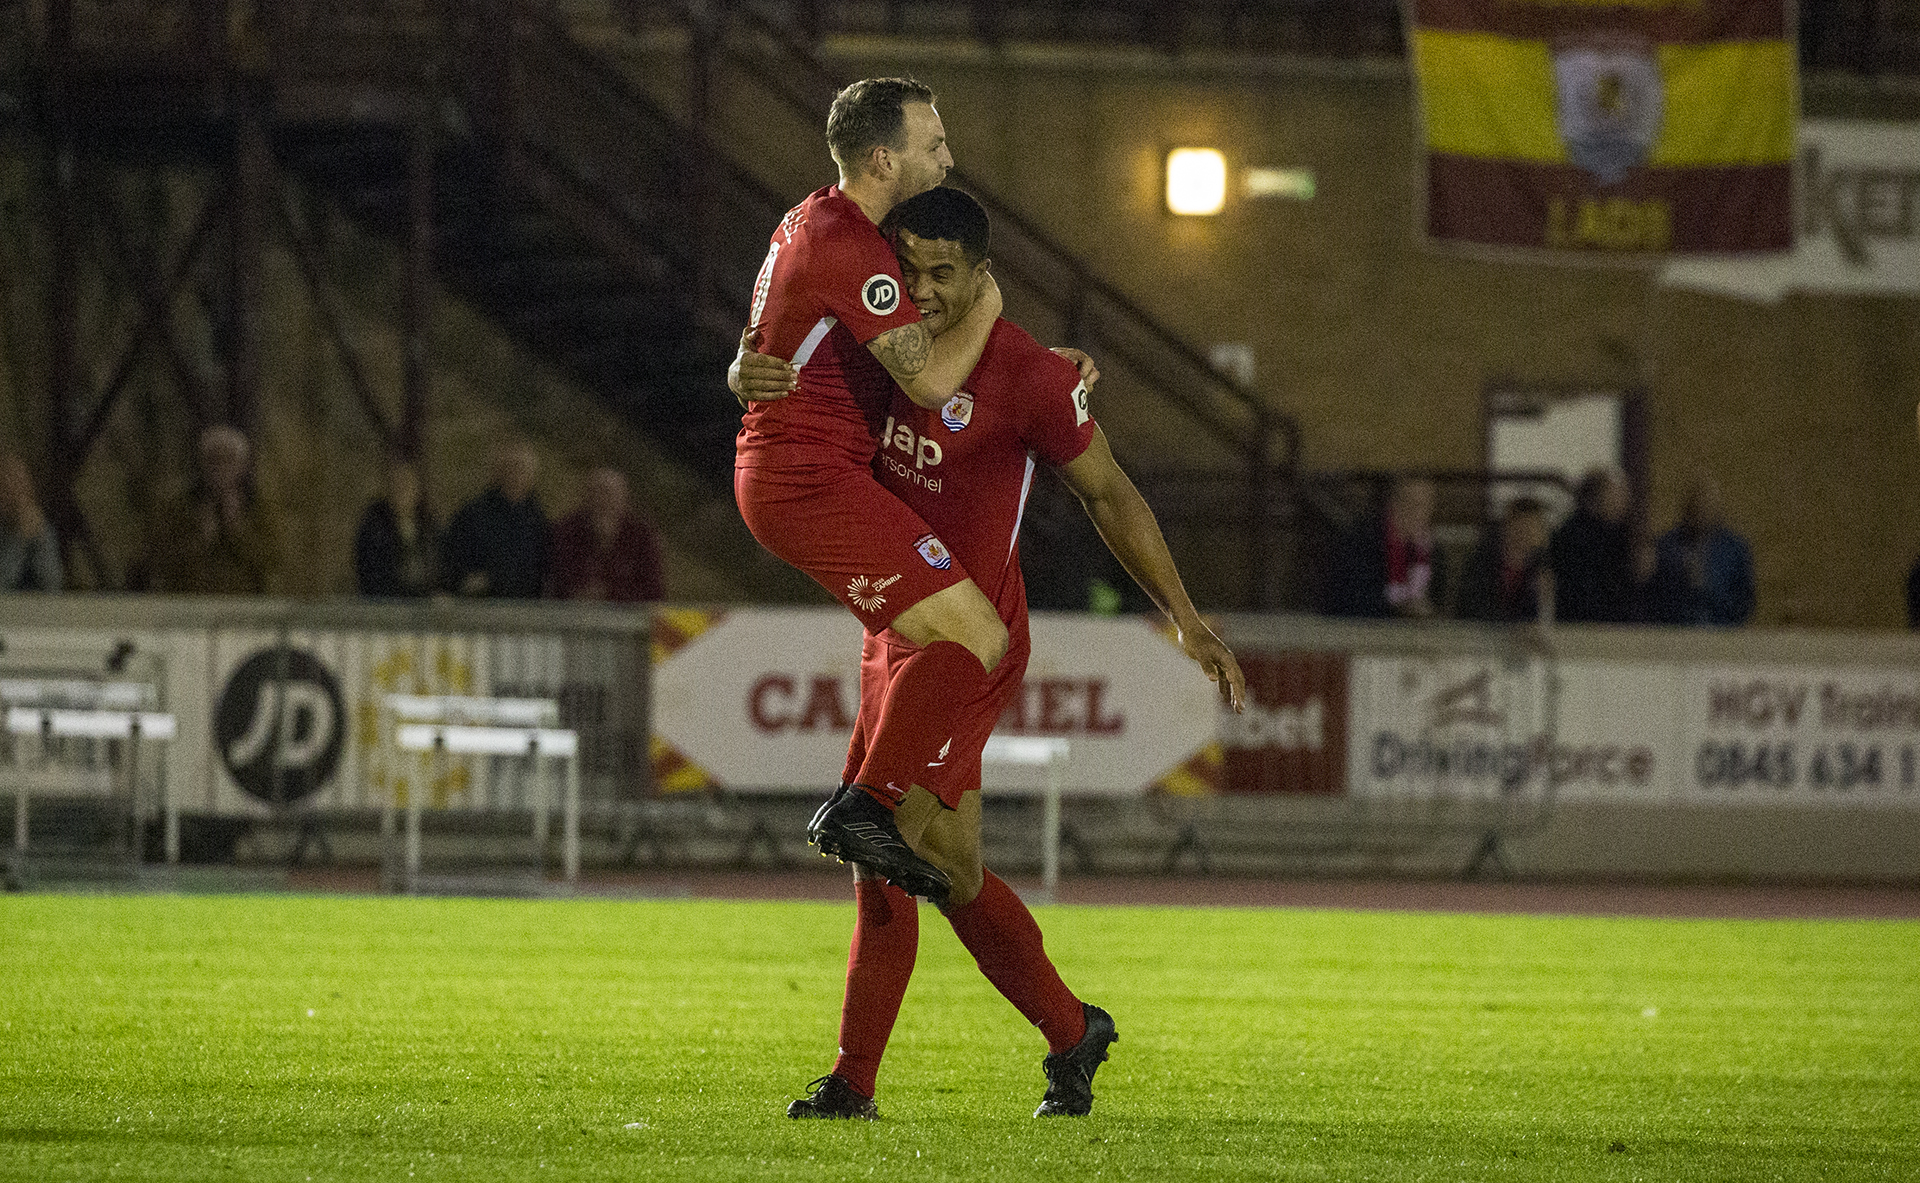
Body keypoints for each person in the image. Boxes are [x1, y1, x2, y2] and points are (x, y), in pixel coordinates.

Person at [733, 186, 1246, 1122]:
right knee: (955, 870)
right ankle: (1072, 1029)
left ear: (982, 275)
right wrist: (744, 370)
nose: (921, 290)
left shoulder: (1029, 375)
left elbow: (1114, 497)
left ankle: (852, 1084)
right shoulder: (877, 347)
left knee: (881, 853)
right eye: (910, 269)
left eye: (943, 274)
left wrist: (1184, 614)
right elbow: (786, 323)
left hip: (971, 651)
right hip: (901, 636)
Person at [729, 76, 1023, 907]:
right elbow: (927, 383)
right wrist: (987, 306)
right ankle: (866, 806)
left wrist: (735, 368)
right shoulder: (850, 243)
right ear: (884, 157)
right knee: (979, 635)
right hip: (806, 481)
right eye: (934, 144)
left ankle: (875, 803)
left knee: (949, 644)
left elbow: (773, 334)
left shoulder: (811, 220)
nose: (949, 157)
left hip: (795, 473)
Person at [145, 425, 282, 595]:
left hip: (242, 601)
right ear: (202, 464)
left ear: (243, 466)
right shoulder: (179, 507)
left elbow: (272, 561)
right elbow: (162, 561)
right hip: (191, 601)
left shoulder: (259, 508)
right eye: (214, 460)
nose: (221, 469)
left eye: (229, 460)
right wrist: (201, 535)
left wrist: (237, 528)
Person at [1322, 475, 1447, 619]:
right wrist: (1399, 607)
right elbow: (1349, 597)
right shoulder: (1362, 541)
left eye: (1426, 506)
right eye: (1411, 504)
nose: (1418, 513)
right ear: (1394, 504)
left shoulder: (1433, 552)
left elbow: (1437, 601)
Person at [443, 440, 549, 599]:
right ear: (496, 472)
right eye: (508, 468)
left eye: (520, 469)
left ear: (531, 475)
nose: (514, 475)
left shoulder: (538, 520)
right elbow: (452, 566)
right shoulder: (472, 515)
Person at [1647, 476, 1755, 626]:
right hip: (1675, 634)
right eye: (1697, 504)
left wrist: (1709, 589)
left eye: (1708, 504)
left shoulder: (1735, 549)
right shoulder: (1666, 546)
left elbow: (1745, 602)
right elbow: (1654, 598)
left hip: (1722, 635)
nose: (1702, 510)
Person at [547, 466, 665, 603]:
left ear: (623, 497)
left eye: (609, 493)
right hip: (575, 614)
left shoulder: (641, 534)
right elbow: (559, 579)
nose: (603, 500)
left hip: (627, 617)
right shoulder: (567, 530)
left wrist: (611, 594)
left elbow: (653, 589)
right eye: (596, 493)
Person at [1547, 467, 1641, 623]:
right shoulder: (1572, 535)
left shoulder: (1621, 533)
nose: (1623, 500)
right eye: (1615, 494)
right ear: (1595, 498)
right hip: (1584, 625)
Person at [353, 457, 440, 598]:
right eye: (398, 486)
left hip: (422, 601)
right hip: (386, 601)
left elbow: (436, 565)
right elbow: (371, 570)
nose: (402, 492)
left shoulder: (428, 525)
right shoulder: (375, 527)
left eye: (407, 486)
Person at [1457, 495, 1551, 623]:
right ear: (1507, 527)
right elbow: (1471, 606)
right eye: (1521, 527)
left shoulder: (1542, 567)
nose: (1526, 534)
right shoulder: (1483, 561)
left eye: (1532, 528)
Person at [0, 453, 62, 592]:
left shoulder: (40, 528)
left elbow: (52, 587)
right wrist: (19, 541)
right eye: (7, 487)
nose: (15, 495)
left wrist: (40, 538)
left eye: (20, 486)